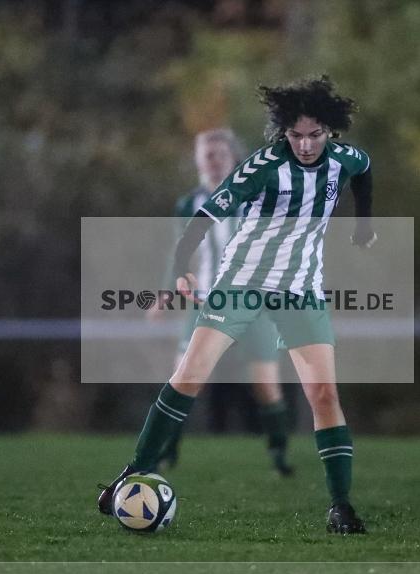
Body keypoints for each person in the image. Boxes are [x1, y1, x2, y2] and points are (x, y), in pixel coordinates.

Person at [99, 75, 375, 534]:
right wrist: (184, 265)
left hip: (301, 289)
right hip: (241, 284)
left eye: (315, 134)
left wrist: (364, 225)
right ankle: (131, 473)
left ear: (331, 130)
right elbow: (203, 217)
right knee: (189, 375)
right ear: (283, 132)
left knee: (324, 394)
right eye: (296, 135)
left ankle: (341, 507)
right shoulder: (263, 167)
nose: (305, 144)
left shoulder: (347, 158)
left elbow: (365, 173)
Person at [150, 127, 294, 476]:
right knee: (182, 379)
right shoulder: (189, 205)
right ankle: (167, 453)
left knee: (266, 386)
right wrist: (166, 292)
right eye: (206, 155)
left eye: (219, 155)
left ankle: (278, 456)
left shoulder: (257, 197)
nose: (213, 162)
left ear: (233, 158)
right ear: (198, 161)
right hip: (206, 303)